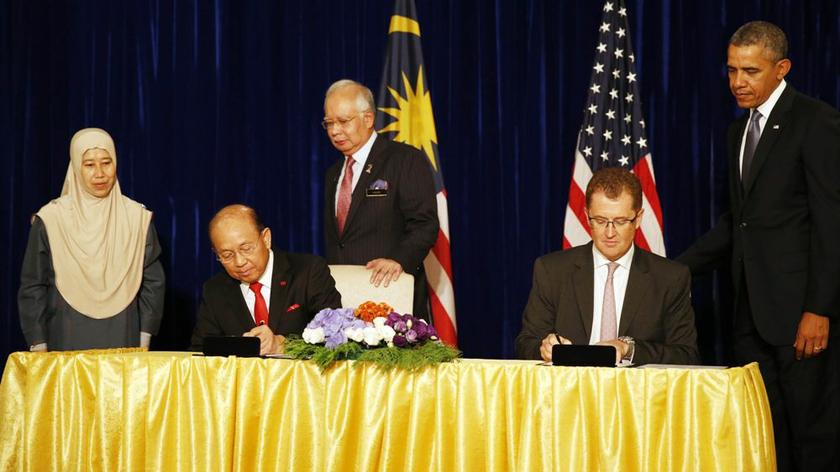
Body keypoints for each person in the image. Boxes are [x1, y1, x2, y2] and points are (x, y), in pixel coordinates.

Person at [677, 21, 840, 471]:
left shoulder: (817, 122)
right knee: (766, 433)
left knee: (814, 436)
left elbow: (832, 222)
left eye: (750, 71)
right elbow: (741, 223)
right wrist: (673, 270)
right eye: (731, 70)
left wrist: (819, 309)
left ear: (781, 68)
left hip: (802, 320)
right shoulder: (738, 133)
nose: (737, 82)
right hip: (751, 314)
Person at [516, 167, 699, 365]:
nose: (610, 233)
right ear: (587, 217)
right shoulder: (552, 271)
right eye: (601, 220)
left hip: (637, 394)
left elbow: (686, 355)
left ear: (638, 219)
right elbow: (525, 344)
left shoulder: (670, 278)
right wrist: (544, 348)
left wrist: (628, 349)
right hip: (570, 391)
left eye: (620, 221)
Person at [18, 128, 165, 351]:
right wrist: (38, 343)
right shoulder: (51, 218)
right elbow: (33, 285)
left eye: (106, 162)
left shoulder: (137, 218)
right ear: (76, 166)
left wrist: (144, 337)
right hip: (65, 336)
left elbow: (153, 283)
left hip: (124, 337)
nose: (99, 173)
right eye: (89, 165)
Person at [322, 79, 438, 320]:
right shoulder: (333, 173)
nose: (334, 131)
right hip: (344, 303)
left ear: (368, 119)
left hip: (392, 296)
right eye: (329, 123)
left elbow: (424, 225)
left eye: (343, 121)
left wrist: (399, 259)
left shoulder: (404, 160)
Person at [190, 204, 342, 355]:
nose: (239, 262)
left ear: (266, 238)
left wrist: (284, 346)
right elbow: (199, 352)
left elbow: (336, 337)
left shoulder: (308, 272)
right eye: (227, 255)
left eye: (246, 249)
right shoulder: (214, 290)